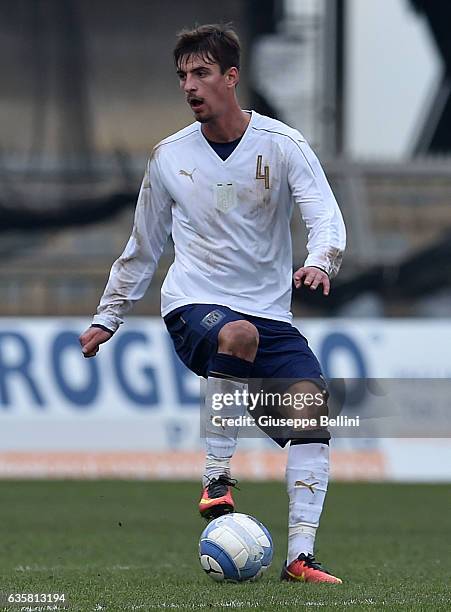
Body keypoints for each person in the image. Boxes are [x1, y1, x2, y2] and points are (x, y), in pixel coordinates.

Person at [79, 23, 346, 584]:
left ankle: (300, 557)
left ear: (231, 77)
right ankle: (217, 478)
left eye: (201, 73)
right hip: (195, 309)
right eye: (183, 76)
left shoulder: (282, 144)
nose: (190, 86)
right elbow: (143, 246)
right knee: (238, 335)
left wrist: (320, 260)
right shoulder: (169, 158)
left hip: (270, 315)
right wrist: (109, 316)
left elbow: (324, 215)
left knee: (312, 417)